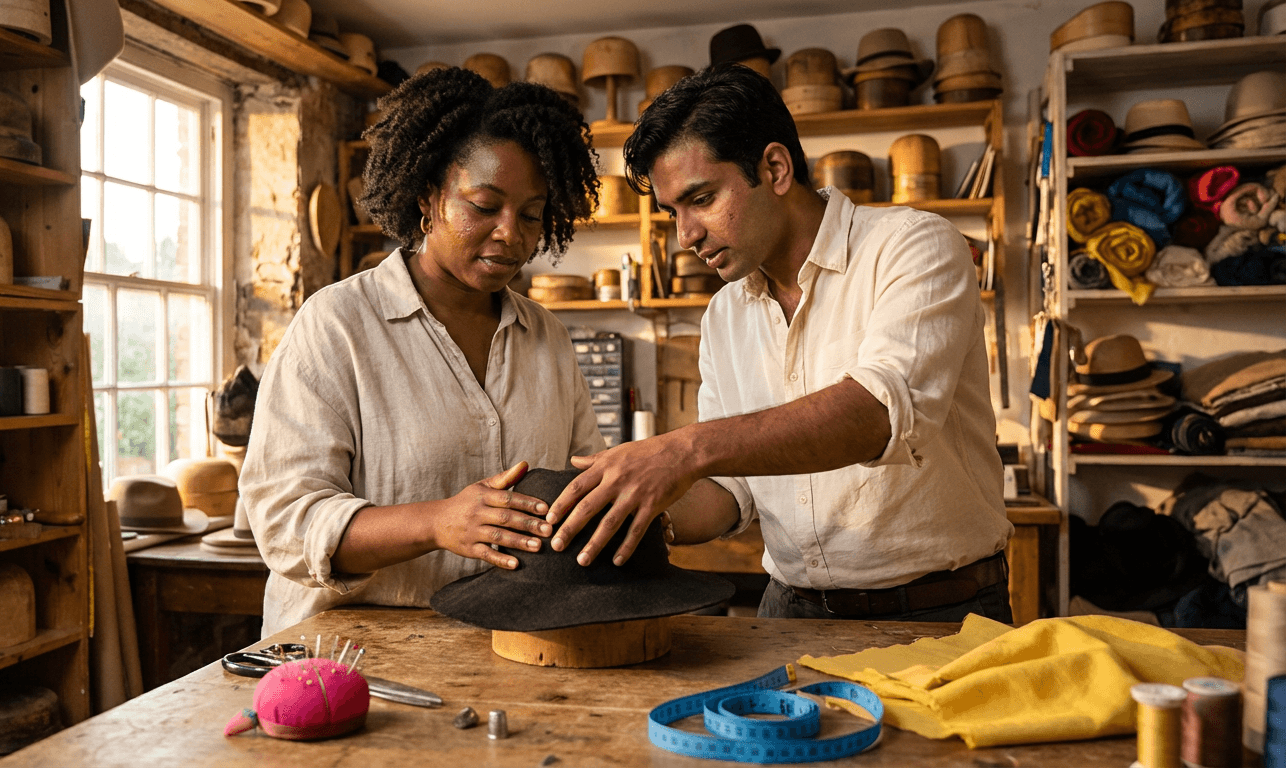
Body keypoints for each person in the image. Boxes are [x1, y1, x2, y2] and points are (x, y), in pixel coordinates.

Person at [545, 64, 1014, 622]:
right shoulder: (725, 313)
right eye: (674, 212)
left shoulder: (914, 246)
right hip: (789, 611)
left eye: (702, 198)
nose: (686, 234)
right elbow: (729, 488)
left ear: (774, 167)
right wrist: (638, 517)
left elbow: (875, 414)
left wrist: (680, 450)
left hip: (939, 612)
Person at [240, 67, 605, 634]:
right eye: (484, 206)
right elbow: (286, 522)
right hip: (353, 658)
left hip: (509, 649)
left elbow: (580, 490)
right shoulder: (337, 326)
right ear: (427, 198)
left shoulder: (548, 339)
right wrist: (437, 522)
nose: (512, 233)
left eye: (531, 214)